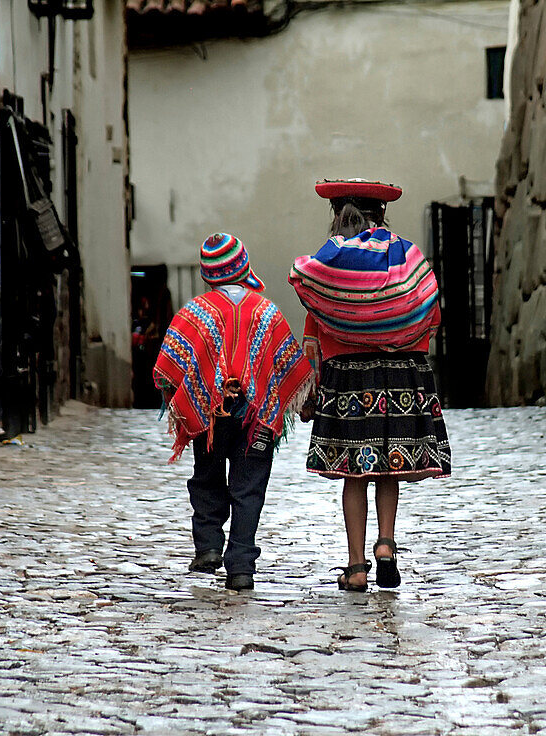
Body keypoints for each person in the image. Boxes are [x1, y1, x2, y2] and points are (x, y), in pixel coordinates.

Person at [289, 179, 451, 592]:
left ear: (337, 216)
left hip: (349, 380)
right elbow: (430, 312)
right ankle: (386, 544)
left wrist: (312, 388)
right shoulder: (406, 255)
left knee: (354, 474)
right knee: (389, 466)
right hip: (400, 375)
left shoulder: (331, 263)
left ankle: (357, 566)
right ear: (382, 215)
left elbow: (314, 325)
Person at [154, 233, 313, 591]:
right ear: (244, 266)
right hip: (257, 418)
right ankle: (241, 567)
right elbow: (288, 364)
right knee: (249, 487)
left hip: (211, 416)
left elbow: (168, 365)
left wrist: (183, 395)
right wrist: (306, 402)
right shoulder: (266, 311)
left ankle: (209, 545)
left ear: (208, 274)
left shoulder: (196, 312)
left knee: (207, 477)